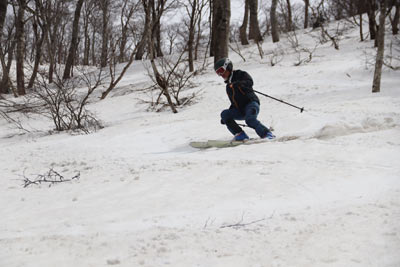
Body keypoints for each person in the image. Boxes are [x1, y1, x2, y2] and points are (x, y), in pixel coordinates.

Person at [214, 58, 275, 141]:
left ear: (228, 67)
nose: (221, 74)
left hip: (251, 104)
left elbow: (250, 82)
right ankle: (240, 135)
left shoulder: (240, 74)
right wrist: (226, 118)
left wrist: (240, 83)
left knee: (250, 120)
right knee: (225, 114)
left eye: (221, 70)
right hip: (240, 110)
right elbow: (234, 102)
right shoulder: (228, 86)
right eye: (218, 72)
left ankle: (267, 134)